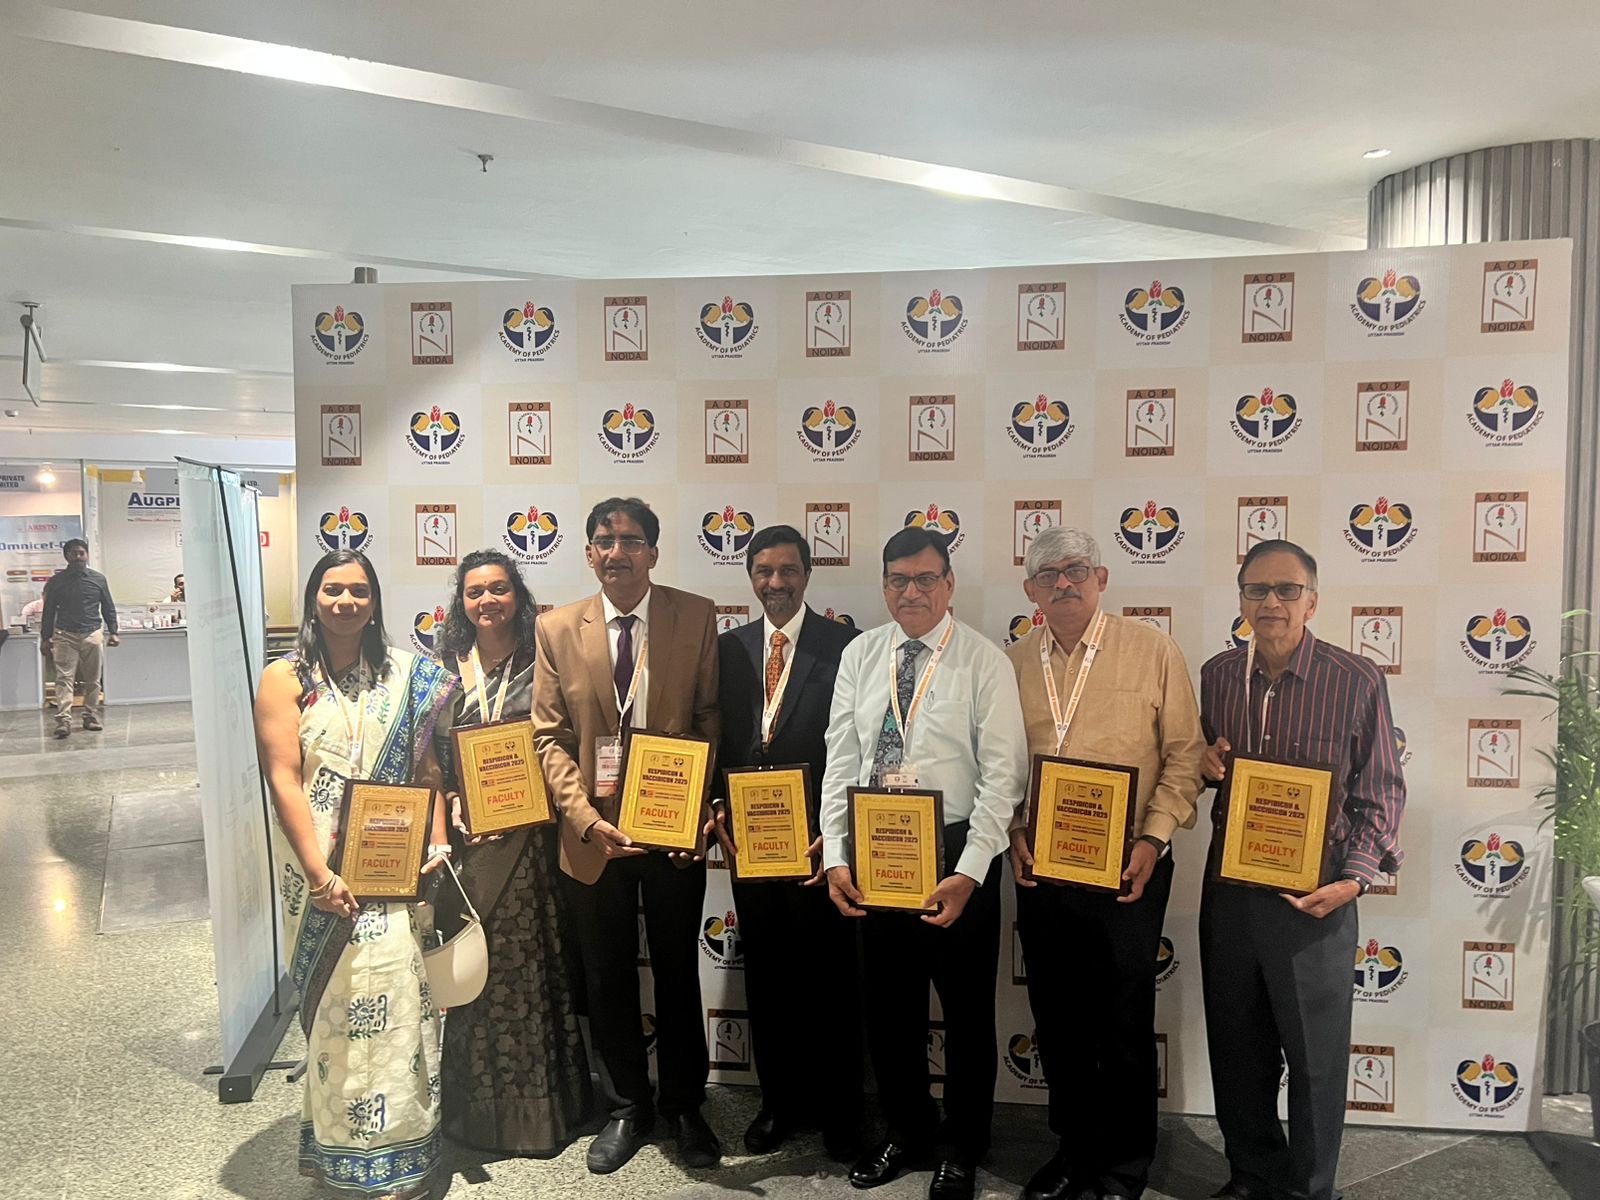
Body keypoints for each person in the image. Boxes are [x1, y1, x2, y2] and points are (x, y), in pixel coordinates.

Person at [820, 526, 1029, 1200]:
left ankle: (962, 1146)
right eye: (898, 580)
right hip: (878, 849)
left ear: (949, 583)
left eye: (925, 578)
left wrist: (970, 872)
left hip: (956, 853)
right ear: (884, 585)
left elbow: (1003, 777)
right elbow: (840, 760)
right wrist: (837, 855)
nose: (911, 591)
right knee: (889, 1011)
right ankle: (908, 1132)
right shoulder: (860, 654)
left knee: (966, 1015)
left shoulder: (983, 660)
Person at [1198, 540, 1405, 1200]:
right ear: (1241, 600)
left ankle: (1311, 1188)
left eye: (1287, 589)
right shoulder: (1218, 675)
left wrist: (1353, 879)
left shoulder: (1356, 679)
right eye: (1257, 590)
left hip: (1317, 890)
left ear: (1312, 601)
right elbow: (1205, 763)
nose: (1272, 602)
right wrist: (1203, 763)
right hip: (1231, 888)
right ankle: (1252, 1173)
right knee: (1236, 1043)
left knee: (1315, 1056)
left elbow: (1382, 788)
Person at [1004, 527, 1204, 1200]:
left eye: (1076, 569)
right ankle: (1072, 1151)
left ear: (1102, 578)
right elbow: (1000, 766)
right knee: (1057, 1018)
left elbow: (1184, 754)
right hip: (1044, 869)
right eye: (1047, 575)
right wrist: (1015, 829)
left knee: (1122, 1020)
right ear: (1030, 590)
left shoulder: (1153, 650)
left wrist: (1153, 840)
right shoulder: (1011, 664)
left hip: (1128, 868)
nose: (1063, 583)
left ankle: (1124, 1164)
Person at [254, 549, 457, 1200]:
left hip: (394, 875)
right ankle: (341, 1156)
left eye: (359, 591)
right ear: (313, 598)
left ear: (375, 602)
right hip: (321, 875)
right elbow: (284, 779)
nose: (346, 601)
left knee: (399, 1006)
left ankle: (403, 1156)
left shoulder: (405, 674)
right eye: (333, 590)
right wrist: (319, 875)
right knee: (336, 1014)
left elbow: (428, 771)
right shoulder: (285, 677)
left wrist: (438, 839)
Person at [532, 497, 723, 1174]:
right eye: (605, 540)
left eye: (632, 540)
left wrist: (695, 806)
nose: (618, 552)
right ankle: (626, 1107)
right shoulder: (556, 627)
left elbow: (707, 717)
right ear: (589, 552)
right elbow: (550, 737)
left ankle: (684, 1104)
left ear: (653, 552)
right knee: (607, 973)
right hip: (593, 837)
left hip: (671, 835)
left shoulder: (694, 615)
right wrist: (585, 819)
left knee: (676, 972)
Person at [431, 549, 592, 1155]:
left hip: (531, 842)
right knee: (476, 971)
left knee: (532, 967)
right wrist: (454, 804)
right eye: (475, 592)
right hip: (471, 845)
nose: (487, 601)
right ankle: (477, 1116)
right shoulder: (444, 668)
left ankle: (546, 1113)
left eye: (499, 589)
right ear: (461, 602)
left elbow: (561, 741)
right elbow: (431, 758)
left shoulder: (541, 660)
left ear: (518, 596)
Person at [713, 525, 864, 1160]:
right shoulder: (728, 649)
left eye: (787, 570)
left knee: (833, 981)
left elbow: (860, 745)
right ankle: (778, 1104)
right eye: (764, 571)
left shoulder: (845, 645)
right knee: (769, 978)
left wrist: (837, 832)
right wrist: (716, 807)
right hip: (752, 845)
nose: (775, 583)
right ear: (750, 576)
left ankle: (842, 1112)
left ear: (807, 574)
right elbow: (714, 736)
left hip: (819, 846)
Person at [40, 538, 119, 739]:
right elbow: (48, 611)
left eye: (81, 553)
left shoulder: (98, 579)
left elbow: (108, 607)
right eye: (73, 553)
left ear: (87, 555)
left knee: (93, 679)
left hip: (92, 633)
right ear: (66, 556)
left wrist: (114, 631)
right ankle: (63, 720)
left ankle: (90, 716)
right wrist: (45, 638)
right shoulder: (56, 582)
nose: (77, 556)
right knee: (64, 679)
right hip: (65, 634)